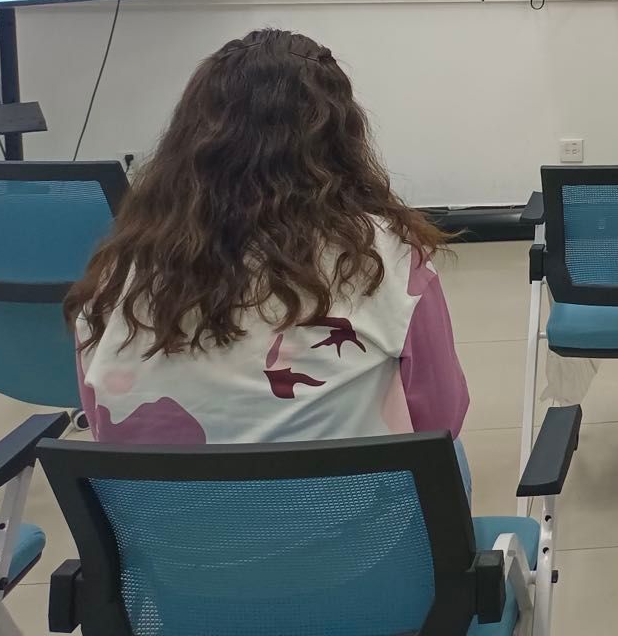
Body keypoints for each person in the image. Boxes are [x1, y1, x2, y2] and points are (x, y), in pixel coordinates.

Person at [66, 29, 469, 445]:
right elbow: (441, 421)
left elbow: (100, 423)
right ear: (342, 140)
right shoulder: (387, 257)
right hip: (347, 489)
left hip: (160, 491)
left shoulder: (118, 272)